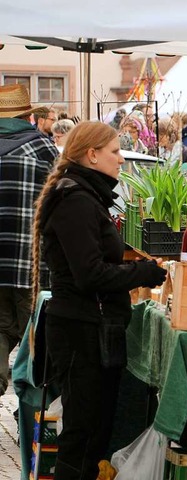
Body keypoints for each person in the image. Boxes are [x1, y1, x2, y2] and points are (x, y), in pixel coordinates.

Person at [31, 121, 167, 479]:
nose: (120, 159)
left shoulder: (86, 196)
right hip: (80, 331)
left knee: (93, 433)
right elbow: (90, 273)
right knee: (82, 433)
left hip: (92, 327)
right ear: (92, 155)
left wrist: (130, 259)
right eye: (114, 152)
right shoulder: (75, 199)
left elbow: (95, 257)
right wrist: (145, 273)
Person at [0, 84, 58, 402]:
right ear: (27, 115)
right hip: (30, 266)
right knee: (35, 346)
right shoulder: (41, 147)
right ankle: (32, 419)